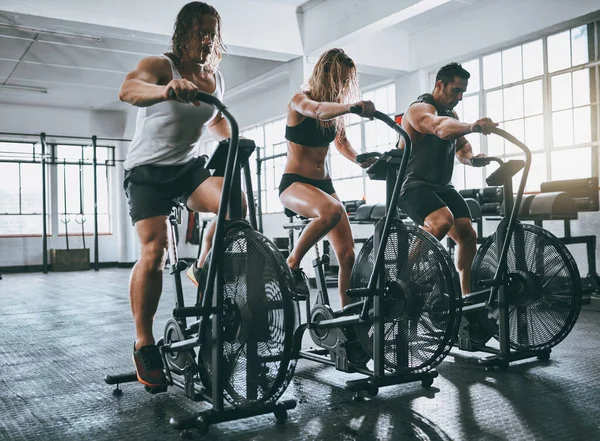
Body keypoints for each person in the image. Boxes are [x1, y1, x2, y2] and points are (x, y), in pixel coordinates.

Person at [119, 1, 241, 389]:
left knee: (233, 204)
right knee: (153, 251)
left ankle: (202, 266)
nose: (207, 40)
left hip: (186, 169)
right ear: (183, 33)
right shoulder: (161, 66)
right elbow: (128, 89)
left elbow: (218, 120)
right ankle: (144, 343)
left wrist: (238, 140)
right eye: (200, 31)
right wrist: (166, 90)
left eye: (212, 33)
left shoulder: (215, 79)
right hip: (148, 172)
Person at [279, 48, 376, 308]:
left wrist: (358, 159)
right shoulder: (300, 100)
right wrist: (351, 106)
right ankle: (291, 263)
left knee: (347, 255)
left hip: (324, 185)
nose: (342, 85)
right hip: (295, 184)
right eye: (339, 79)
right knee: (332, 210)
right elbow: (319, 110)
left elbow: (341, 141)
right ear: (324, 74)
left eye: (346, 81)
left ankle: (348, 315)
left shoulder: (335, 111)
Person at [397, 62, 497, 295]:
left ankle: (467, 295)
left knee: (467, 234)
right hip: (411, 185)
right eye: (456, 90)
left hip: (441, 186)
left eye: (463, 91)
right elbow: (439, 128)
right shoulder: (419, 109)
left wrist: (472, 158)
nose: (460, 97)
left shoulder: (451, 114)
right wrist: (472, 126)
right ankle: (405, 279)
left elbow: (462, 147)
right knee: (441, 221)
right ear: (439, 85)